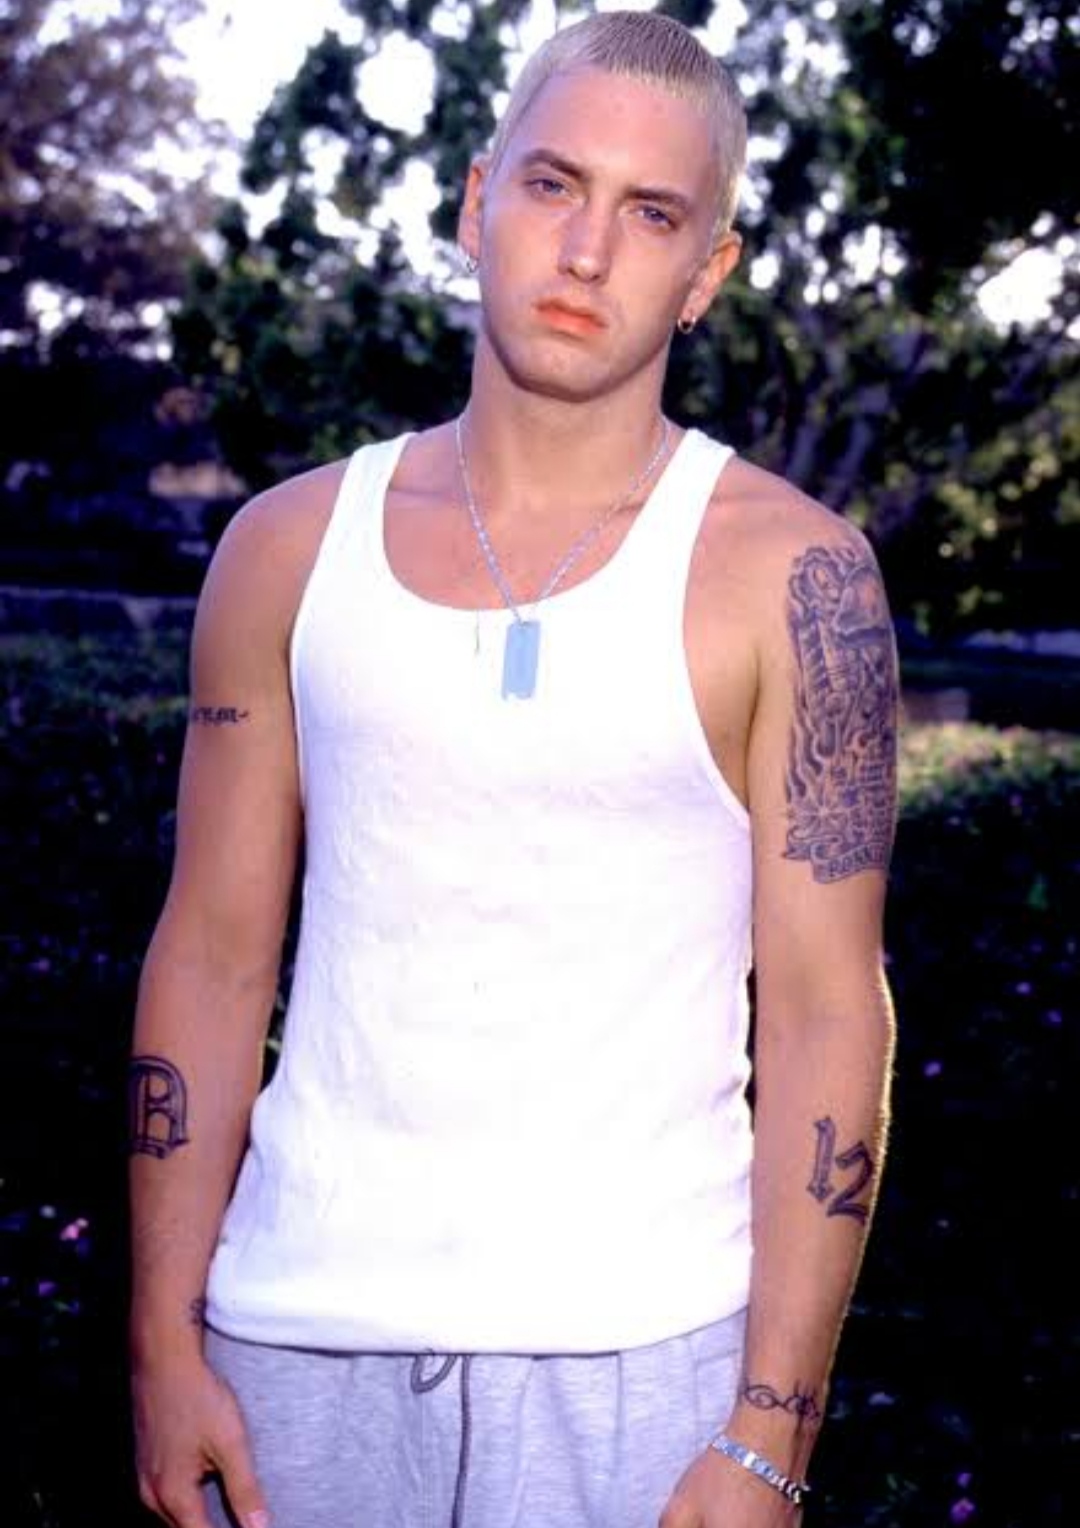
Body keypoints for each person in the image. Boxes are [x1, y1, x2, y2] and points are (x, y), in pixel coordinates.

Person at [128, 11, 897, 1528]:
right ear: (479, 199)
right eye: (554, 185)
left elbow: (827, 1008)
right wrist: (160, 1344)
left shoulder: (800, 577)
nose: (587, 251)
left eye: (651, 214)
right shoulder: (283, 550)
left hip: (648, 1369)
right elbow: (211, 955)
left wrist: (771, 1434)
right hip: (291, 1348)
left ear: (708, 274)